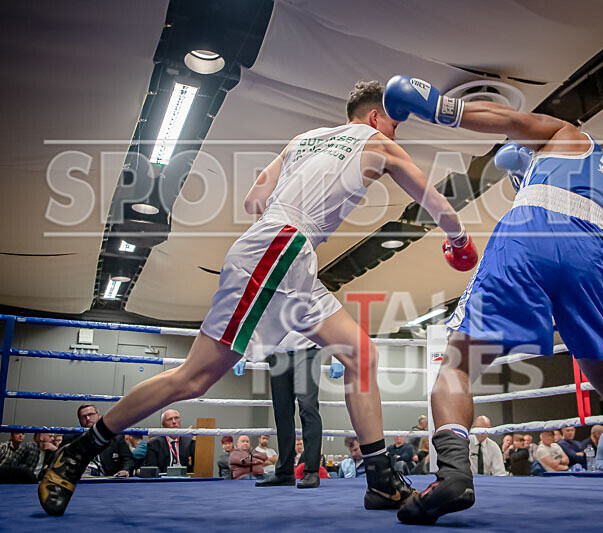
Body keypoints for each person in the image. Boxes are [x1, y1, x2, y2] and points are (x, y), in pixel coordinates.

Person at [40, 80, 476, 517]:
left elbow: (255, 198)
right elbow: (431, 197)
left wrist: (296, 202)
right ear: (376, 116)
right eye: (395, 124)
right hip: (280, 250)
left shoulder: (303, 140)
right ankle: (81, 449)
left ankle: (381, 480)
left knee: (361, 353)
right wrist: (459, 240)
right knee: (194, 378)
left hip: (287, 253)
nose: (395, 134)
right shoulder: (377, 140)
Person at [382, 75, 603, 524]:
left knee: (459, 362)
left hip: (531, 234)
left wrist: (439, 108)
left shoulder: (570, 135)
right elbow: (579, 209)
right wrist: (526, 175)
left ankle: (453, 473)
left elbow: (507, 119)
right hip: (593, 255)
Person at [256, 332, 322, 489]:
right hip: (278, 352)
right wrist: (241, 356)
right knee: (282, 411)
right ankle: (284, 473)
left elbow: (329, 320)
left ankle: (311, 471)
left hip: (307, 350)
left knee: (308, 407)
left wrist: (336, 358)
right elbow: (257, 321)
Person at [61, 404, 133, 478]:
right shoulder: (69, 439)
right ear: (79, 420)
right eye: (83, 416)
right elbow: (60, 461)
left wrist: (125, 470)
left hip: (106, 479)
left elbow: (127, 459)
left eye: (91, 414)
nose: (88, 418)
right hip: (78, 479)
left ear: (99, 416)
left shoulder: (115, 437)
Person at [142, 409, 195, 474]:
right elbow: (152, 469)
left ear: (180, 421)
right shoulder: (154, 444)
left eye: (176, 418)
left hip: (186, 478)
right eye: (169, 419)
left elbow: (195, 467)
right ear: (163, 424)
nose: (174, 422)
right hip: (163, 478)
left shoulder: (190, 442)